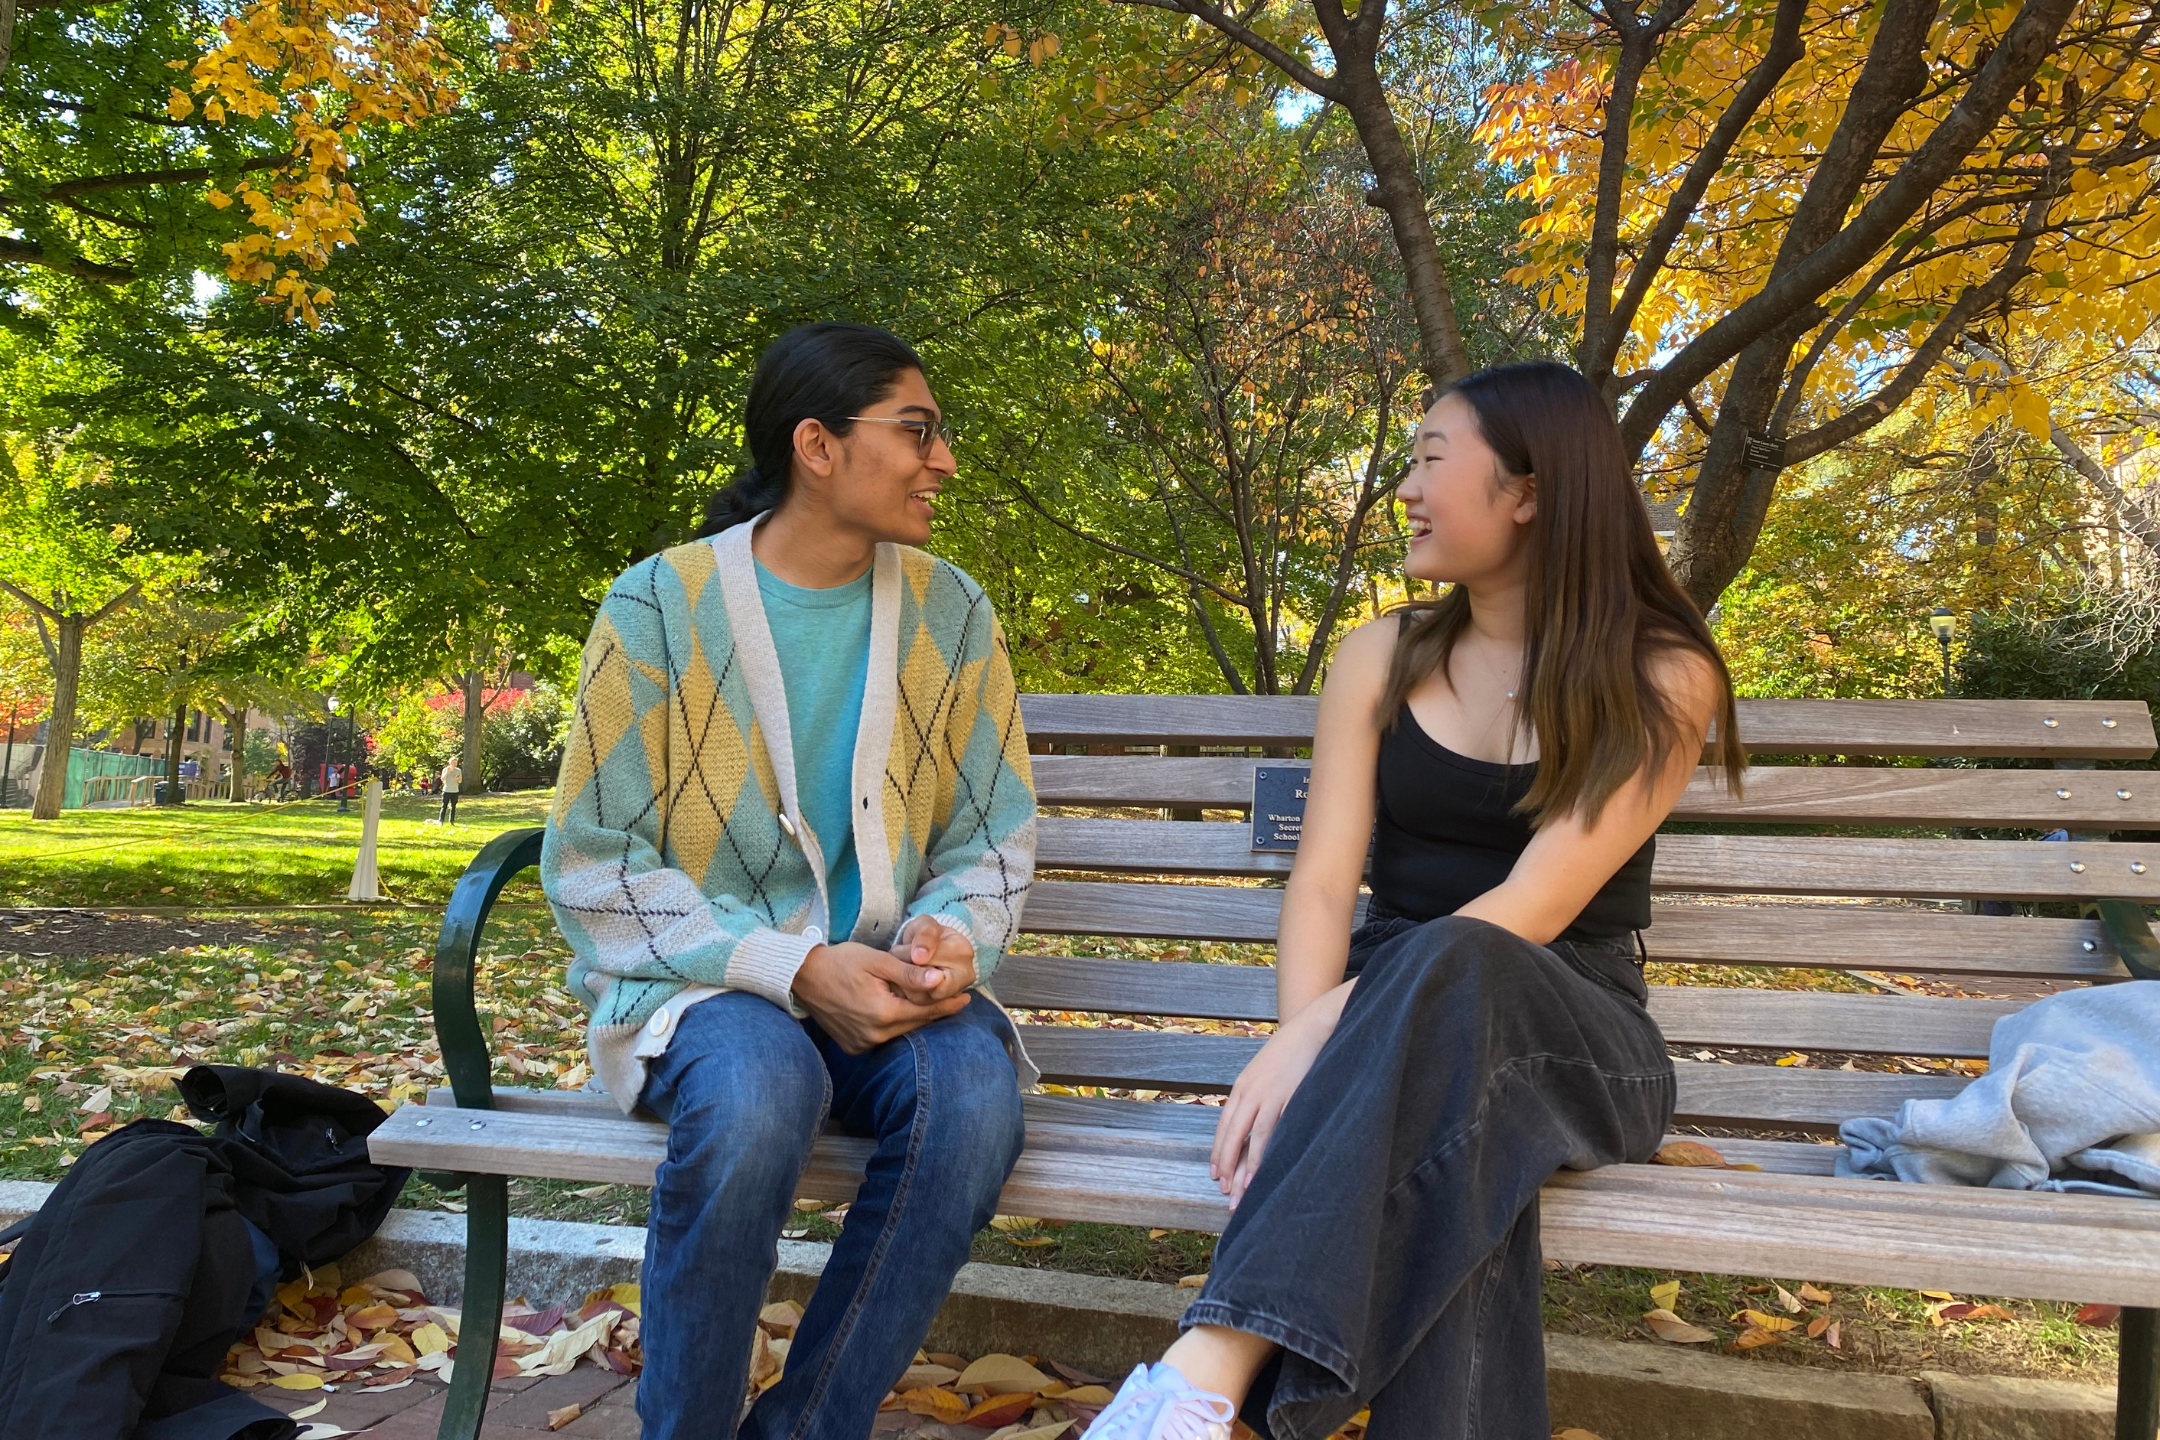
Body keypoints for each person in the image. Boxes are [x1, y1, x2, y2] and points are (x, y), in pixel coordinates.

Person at [1082, 362, 1747, 1440]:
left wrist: (1333, 1032)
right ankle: (1192, 1402)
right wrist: (1303, 1035)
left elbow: (1530, 908)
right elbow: (1323, 876)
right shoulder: (1382, 656)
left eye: (1432, 460)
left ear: (1528, 491)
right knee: (1468, 1170)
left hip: (1575, 1028)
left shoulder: (1662, 674)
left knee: (1462, 964)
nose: (1404, 489)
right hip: (1405, 1031)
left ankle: (1210, 1363)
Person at [541, 322, 1038, 1440]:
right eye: (917, 430)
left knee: (971, 1103)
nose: (944, 459)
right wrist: (792, 965)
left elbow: (989, 834)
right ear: (816, 445)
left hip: (887, 987)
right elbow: (592, 861)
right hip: (707, 991)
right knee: (758, 1093)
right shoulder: (657, 607)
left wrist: (950, 938)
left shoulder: (953, 614)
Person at [437, 758, 461, 824]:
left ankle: (451, 821)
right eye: (453, 763)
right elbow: (442, 779)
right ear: (450, 763)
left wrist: (458, 779)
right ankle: (441, 821)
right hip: (446, 791)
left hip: (455, 791)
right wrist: (447, 772)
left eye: (456, 763)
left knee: (453, 807)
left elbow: (460, 781)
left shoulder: (458, 770)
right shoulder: (445, 769)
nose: (455, 764)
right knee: (444, 806)